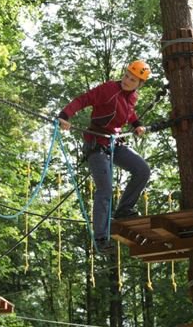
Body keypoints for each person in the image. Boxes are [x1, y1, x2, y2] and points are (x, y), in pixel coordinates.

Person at [58, 60, 152, 253]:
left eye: (132, 79)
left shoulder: (132, 97)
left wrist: (136, 124)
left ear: (139, 84)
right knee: (105, 189)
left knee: (142, 170)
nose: (127, 80)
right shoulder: (109, 89)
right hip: (96, 143)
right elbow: (84, 99)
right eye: (126, 75)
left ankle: (124, 210)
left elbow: (129, 113)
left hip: (114, 143)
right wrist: (65, 115)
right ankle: (101, 237)